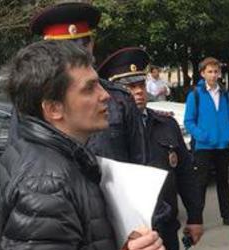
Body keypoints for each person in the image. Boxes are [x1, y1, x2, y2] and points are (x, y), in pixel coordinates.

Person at [0, 40, 167, 250]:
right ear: (53, 108)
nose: (106, 96)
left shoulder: (46, 154)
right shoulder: (45, 178)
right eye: (89, 89)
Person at [98, 47, 204, 250]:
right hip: (128, 236)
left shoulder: (166, 124)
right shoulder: (106, 132)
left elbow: (185, 174)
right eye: (128, 87)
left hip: (165, 229)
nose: (137, 92)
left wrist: (195, 217)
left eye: (139, 85)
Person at [30, 2, 146, 164]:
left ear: (91, 44)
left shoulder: (120, 98)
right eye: (67, 48)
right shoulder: (31, 101)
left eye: (83, 44)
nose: (77, 54)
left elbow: (138, 162)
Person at [184, 57, 229, 226]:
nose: (214, 75)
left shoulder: (224, 94)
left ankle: (227, 215)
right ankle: (196, 219)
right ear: (202, 74)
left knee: (223, 181)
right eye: (210, 72)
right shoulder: (195, 94)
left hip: (222, 145)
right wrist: (202, 136)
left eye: (216, 72)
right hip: (204, 146)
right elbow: (189, 121)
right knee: (200, 183)